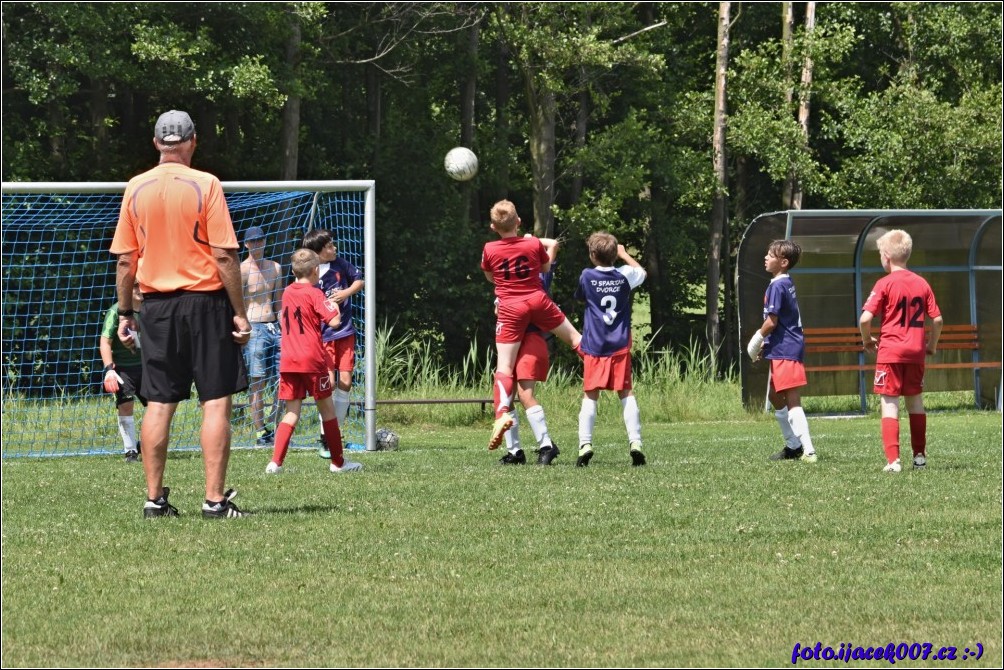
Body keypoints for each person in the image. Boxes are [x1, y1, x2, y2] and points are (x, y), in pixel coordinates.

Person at [111, 109, 252, 519]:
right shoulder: (206, 184)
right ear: (192, 141)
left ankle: (154, 500)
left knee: (158, 402)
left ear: (157, 143)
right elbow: (224, 256)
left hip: (156, 307)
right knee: (216, 401)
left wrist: (126, 312)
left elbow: (125, 261)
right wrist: (239, 313)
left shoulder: (135, 187)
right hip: (206, 304)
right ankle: (214, 501)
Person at [481, 200, 581, 451]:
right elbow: (545, 266)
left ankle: (501, 413)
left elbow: (491, 277)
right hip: (537, 300)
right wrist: (529, 243)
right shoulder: (533, 243)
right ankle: (601, 372)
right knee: (575, 339)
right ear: (518, 221)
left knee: (504, 367)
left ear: (493, 227)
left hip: (510, 307)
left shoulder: (489, 248)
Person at [266, 248, 363, 475]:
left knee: (291, 412)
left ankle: (275, 463)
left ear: (293, 271)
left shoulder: (287, 292)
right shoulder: (316, 293)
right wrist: (334, 305)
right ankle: (338, 463)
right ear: (316, 270)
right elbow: (335, 322)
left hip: (288, 359)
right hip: (311, 359)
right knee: (328, 411)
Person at [859, 229, 943, 473]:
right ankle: (919, 458)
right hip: (916, 353)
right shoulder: (921, 283)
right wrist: (931, 345)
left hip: (891, 353)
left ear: (886, 256)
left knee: (890, 403)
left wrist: (867, 340)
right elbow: (937, 320)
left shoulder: (884, 283)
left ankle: (893, 461)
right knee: (915, 403)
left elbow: (865, 319)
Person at [574, 233, 648, 467]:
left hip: (595, 345)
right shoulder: (624, 275)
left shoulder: (587, 275)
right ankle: (635, 442)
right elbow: (642, 272)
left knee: (590, 394)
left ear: (592, 254)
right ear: (614, 254)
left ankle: (585, 444)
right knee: (626, 392)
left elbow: (581, 297)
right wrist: (625, 255)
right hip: (619, 345)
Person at [746, 239, 818, 464]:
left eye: (770, 255)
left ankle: (808, 450)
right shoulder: (783, 282)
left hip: (787, 348)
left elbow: (772, 321)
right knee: (775, 395)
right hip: (781, 347)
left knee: (792, 398)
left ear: (783, 262)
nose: (765, 257)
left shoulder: (778, 285)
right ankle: (793, 446)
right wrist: (767, 344)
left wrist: (757, 338)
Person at [302, 229, 364, 458]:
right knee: (327, 384)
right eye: (329, 246)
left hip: (345, 332)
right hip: (323, 336)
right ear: (318, 252)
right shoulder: (310, 275)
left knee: (345, 382)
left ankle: (334, 433)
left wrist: (345, 293)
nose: (334, 248)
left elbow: (359, 280)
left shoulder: (341, 264)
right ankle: (325, 436)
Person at [500, 235, 561, 466]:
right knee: (506, 397)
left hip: (530, 340)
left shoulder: (540, 277)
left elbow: (553, 244)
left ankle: (547, 445)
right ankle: (515, 452)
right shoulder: (507, 281)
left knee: (525, 395)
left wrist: (530, 239)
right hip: (510, 342)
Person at [240, 225, 282, 446]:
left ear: (265, 241)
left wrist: (285, 327)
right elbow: (237, 304)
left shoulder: (275, 267)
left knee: (285, 379)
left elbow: (279, 301)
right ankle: (260, 432)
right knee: (258, 382)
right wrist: (242, 328)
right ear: (246, 244)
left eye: (260, 240)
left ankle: (274, 426)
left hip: (274, 326)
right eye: (253, 241)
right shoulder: (242, 270)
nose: (257, 244)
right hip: (253, 328)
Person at [99, 283, 145, 462]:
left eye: (143, 284)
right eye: (135, 286)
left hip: (149, 367)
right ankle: (130, 451)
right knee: (126, 405)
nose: (140, 289)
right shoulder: (115, 311)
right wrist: (109, 370)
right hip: (123, 369)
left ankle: (147, 442)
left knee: (160, 407)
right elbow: (105, 342)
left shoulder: (152, 308)